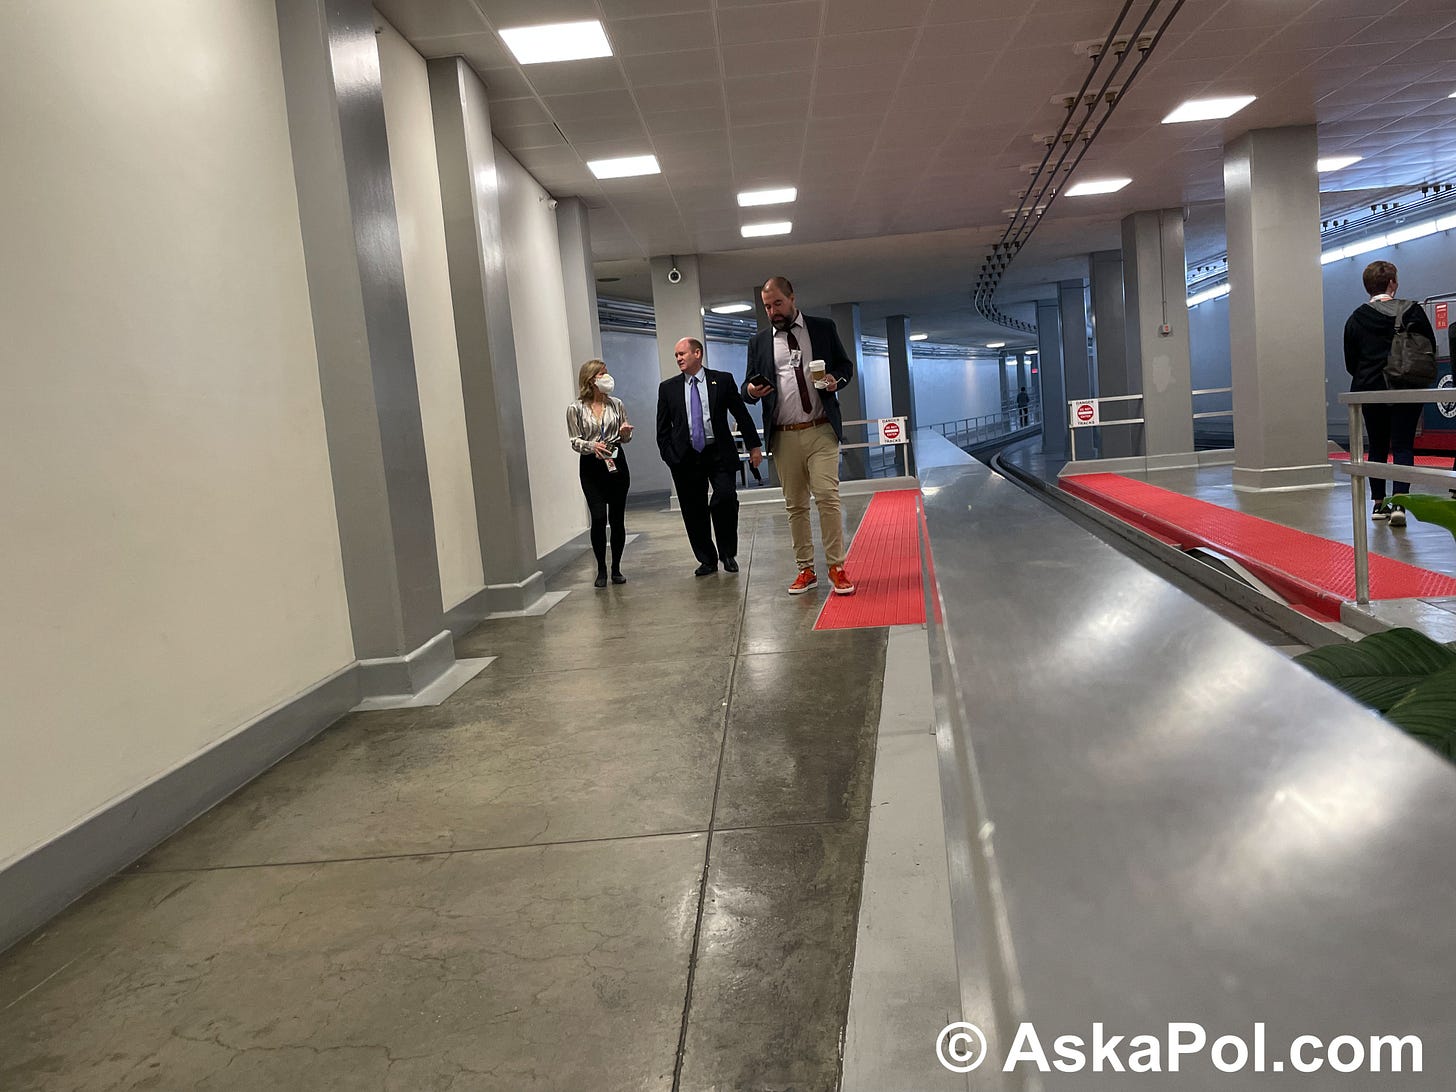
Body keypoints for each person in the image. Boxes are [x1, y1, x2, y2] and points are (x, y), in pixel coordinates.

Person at [743, 276, 856, 595]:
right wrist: (751, 391)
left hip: (821, 428)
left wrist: (836, 380)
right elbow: (746, 386)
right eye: (767, 306)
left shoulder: (823, 328)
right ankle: (805, 569)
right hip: (784, 434)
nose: (773, 310)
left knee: (826, 495)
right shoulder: (760, 342)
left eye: (778, 303)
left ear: (792, 298)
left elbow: (846, 366)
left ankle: (836, 565)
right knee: (794, 504)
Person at [656, 337, 762, 576]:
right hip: (685, 457)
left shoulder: (722, 380)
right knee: (693, 510)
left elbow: (741, 413)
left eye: (682, 353)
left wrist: (754, 446)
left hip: (718, 453)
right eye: (676, 355)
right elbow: (662, 429)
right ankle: (707, 559)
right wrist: (670, 456)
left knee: (725, 498)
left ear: (698, 353)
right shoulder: (668, 388)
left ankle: (727, 554)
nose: (679, 359)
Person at [1343, 260, 1437, 528]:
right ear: (1393, 283)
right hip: (1405, 387)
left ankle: (1377, 504)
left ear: (1367, 287)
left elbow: (1352, 362)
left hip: (1370, 390)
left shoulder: (1356, 318)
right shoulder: (1413, 311)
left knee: (1378, 445)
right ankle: (1400, 504)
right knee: (1404, 445)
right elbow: (1428, 347)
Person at [566, 359, 633, 587]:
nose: (607, 377)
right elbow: (574, 441)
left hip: (616, 462)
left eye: (607, 372)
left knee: (617, 519)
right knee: (598, 518)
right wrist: (592, 446)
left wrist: (625, 433)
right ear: (591, 379)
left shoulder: (616, 404)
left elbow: (626, 436)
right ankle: (601, 569)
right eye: (602, 374)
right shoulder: (575, 408)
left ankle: (616, 568)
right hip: (591, 466)